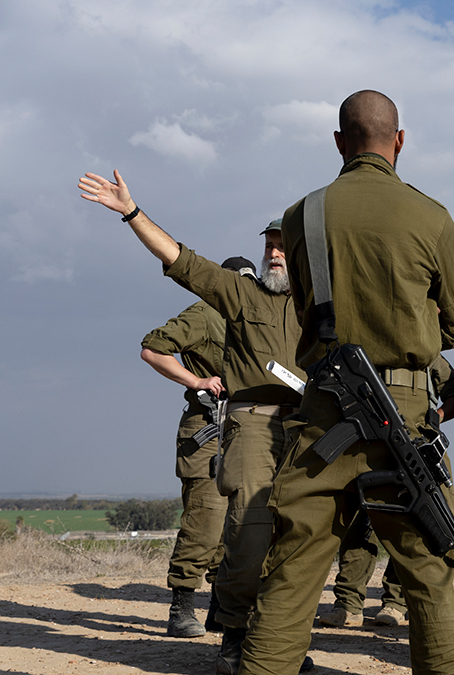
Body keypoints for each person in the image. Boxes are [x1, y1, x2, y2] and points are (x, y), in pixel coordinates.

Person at [234, 90, 454, 675]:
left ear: (340, 142)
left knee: (292, 570)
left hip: (323, 407)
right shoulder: (433, 215)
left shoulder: (301, 215)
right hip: (406, 408)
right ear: (399, 141)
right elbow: (452, 327)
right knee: (427, 575)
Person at [77, 176, 309, 674]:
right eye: (269, 244)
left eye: (284, 246)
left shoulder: (320, 309)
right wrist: (132, 212)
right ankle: (233, 634)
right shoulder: (240, 296)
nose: (274, 254)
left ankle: (279, 644)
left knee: (296, 544)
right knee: (245, 537)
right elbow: (183, 261)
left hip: (305, 433)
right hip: (249, 426)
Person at [138, 256, 252, 638]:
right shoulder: (205, 313)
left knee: (238, 526)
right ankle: (181, 606)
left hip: (245, 432)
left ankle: (221, 610)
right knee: (205, 521)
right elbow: (153, 349)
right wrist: (197, 380)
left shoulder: (255, 321)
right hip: (208, 431)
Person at [318, 355, 454, 629]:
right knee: (357, 525)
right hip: (364, 443)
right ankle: (348, 604)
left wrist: (435, 417)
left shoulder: (427, 352)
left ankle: (396, 603)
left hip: (408, 445)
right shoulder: (361, 348)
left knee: (410, 528)